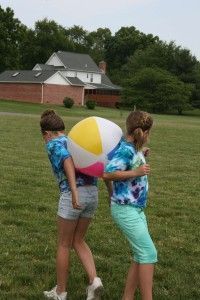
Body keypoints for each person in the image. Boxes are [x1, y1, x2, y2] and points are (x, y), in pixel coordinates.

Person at [40, 109, 103, 300]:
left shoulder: (53, 143)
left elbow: (66, 160)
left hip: (73, 196)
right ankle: (94, 281)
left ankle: (60, 292)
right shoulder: (75, 141)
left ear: (47, 133)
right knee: (78, 240)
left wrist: (74, 191)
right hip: (92, 193)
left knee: (64, 244)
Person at [103, 110, 157, 300]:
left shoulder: (132, 148)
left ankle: (127, 297)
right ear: (142, 132)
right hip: (126, 210)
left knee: (139, 254)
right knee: (149, 253)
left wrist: (141, 155)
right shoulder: (126, 149)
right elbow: (108, 174)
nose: (149, 137)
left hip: (135, 209)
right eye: (148, 133)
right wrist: (137, 172)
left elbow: (127, 164)